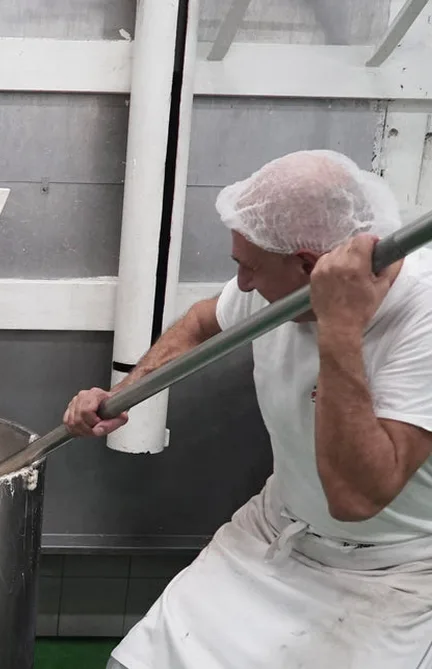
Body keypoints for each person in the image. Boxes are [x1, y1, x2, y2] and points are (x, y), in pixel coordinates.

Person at [63, 149, 432, 668]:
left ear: (309, 266)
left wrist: (340, 326)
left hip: (390, 574)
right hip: (273, 532)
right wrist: (126, 392)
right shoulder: (276, 287)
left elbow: (355, 498)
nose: (242, 284)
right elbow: (201, 321)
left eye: (250, 268)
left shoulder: (421, 318)